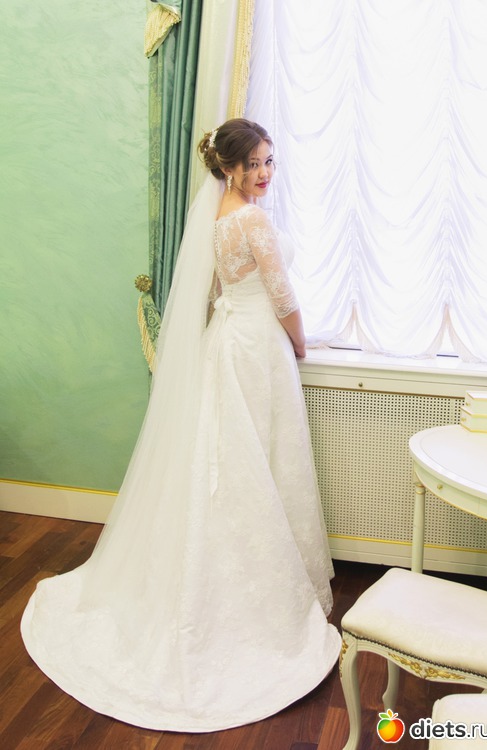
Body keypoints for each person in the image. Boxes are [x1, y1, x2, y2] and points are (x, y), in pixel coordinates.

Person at [21, 118, 341, 732]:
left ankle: (206, 575)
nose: (264, 173)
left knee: (228, 460)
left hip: (228, 342)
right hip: (257, 348)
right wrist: (301, 344)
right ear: (228, 168)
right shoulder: (251, 221)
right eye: (253, 164)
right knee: (258, 456)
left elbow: (221, 288)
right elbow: (282, 295)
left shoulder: (217, 218)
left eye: (269, 160)